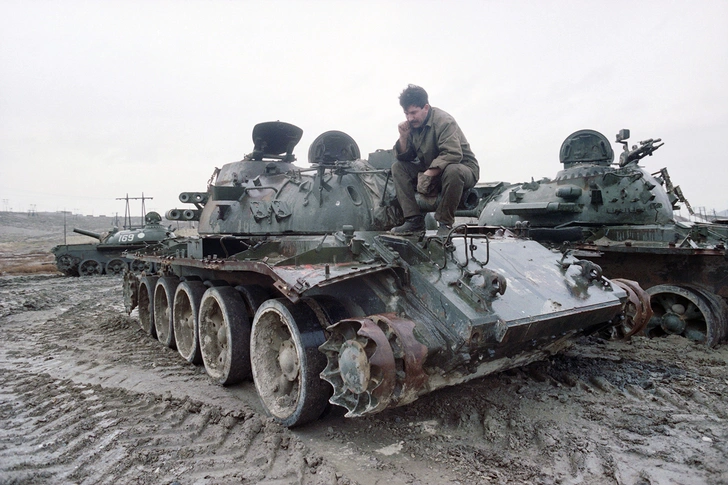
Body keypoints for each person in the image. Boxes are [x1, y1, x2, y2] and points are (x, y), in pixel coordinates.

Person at [390, 84, 479, 236]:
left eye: (413, 113)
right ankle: (414, 221)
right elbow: (406, 157)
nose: (410, 118)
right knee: (398, 167)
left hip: (463, 168)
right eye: (406, 114)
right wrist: (403, 137)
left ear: (425, 107)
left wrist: (428, 175)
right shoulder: (412, 126)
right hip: (433, 169)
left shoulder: (444, 121)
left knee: (453, 170)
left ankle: (445, 224)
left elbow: (453, 154)